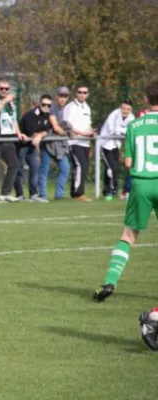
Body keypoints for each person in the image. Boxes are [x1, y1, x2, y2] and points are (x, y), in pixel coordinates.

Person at [93, 80, 158, 302]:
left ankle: (110, 281)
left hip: (140, 183)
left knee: (129, 234)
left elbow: (128, 163)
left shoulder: (134, 125)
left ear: (147, 100)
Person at [0, 77, 27, 203]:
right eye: (1, 88)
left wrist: (19, 133)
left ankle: (5, 193)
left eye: (6, 89)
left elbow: (13, 119)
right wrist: (4, 102)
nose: (4, 91)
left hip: (8, 139)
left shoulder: (11, 104)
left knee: (14, 164)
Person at [15, 95, 53, 202]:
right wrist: (37, 136)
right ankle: (20, 195)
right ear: (39, 104)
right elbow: (31, 133)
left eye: (49, 105)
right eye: (44, 104)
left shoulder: (47, 115)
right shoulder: (30, 115)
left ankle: (33, 194)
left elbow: (46, 130)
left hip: (31, 146)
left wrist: (40, 135)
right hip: (21, 145)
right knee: (19, 169)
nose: (46, 107)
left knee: (35, 168)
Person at [63, 84, 95, 201]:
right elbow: (67, 125)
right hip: (74, 142)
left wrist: (91, 132)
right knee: (81, 165)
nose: (82, 94)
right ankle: (78, 193)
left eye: (85, 92)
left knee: (81, 167)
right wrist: (82, 133)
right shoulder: (70, 107)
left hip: (85, 142)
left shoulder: (87, 107)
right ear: (76, 93)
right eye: (80, 92)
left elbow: (88, 124)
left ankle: (74, 192)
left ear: (88, 94)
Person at [39, 87, 71, 200]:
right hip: (47, 143)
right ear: (56, 96)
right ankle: (42, 195)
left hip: (58, 144)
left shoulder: (65, 109)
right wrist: (67, 133)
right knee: (44, 170)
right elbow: (56, 127)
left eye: (65, 96)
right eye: (61, 96)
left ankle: (59, 195)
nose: (63, 98)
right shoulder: (52, 108)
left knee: (65, 168)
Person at [98, 100, 134, 201]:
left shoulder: (131, 117)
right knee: (110, 168)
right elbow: (113, 131)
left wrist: (122, 131)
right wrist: (124, 131)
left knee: (116, 168)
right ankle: (107, 191)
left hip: (116, 145)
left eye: (128, 109)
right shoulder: (113, 115)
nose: (125, 111)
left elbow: (131, 130)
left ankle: (114, 190)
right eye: (123, 108)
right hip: (105, 145)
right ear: (120, 107)